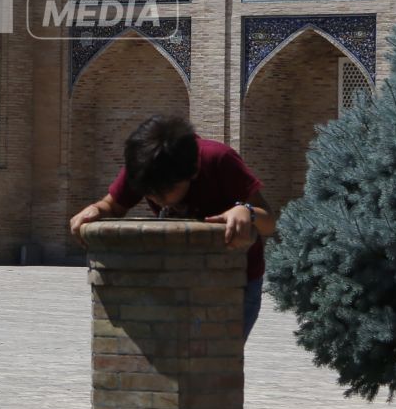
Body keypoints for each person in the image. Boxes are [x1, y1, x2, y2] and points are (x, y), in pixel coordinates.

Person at [68, 114, 277, 340]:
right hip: (177, 277)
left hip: (236, 283)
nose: (158, 200)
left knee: (213, 361)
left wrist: (247, 211)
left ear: (193, 171)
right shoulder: (145, 166)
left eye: (165, 192)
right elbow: (112, 206)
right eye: (150, 194)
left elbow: (270, 223)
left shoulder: (219, 159)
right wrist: (96, 210)